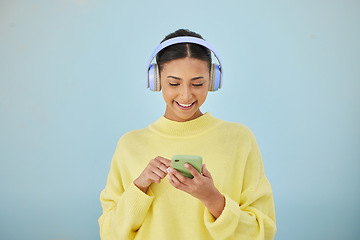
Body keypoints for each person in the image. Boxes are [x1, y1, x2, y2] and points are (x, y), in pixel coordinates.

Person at [98, 29, 277, 240]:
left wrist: (212, 198)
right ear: (155, 80)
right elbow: (110, 234)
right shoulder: (130, 145)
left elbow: (262, 233)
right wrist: (139, 187)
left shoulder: (239, 139)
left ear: (213, 81)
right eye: (174, 83)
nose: (186, 95)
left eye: (197, 83)